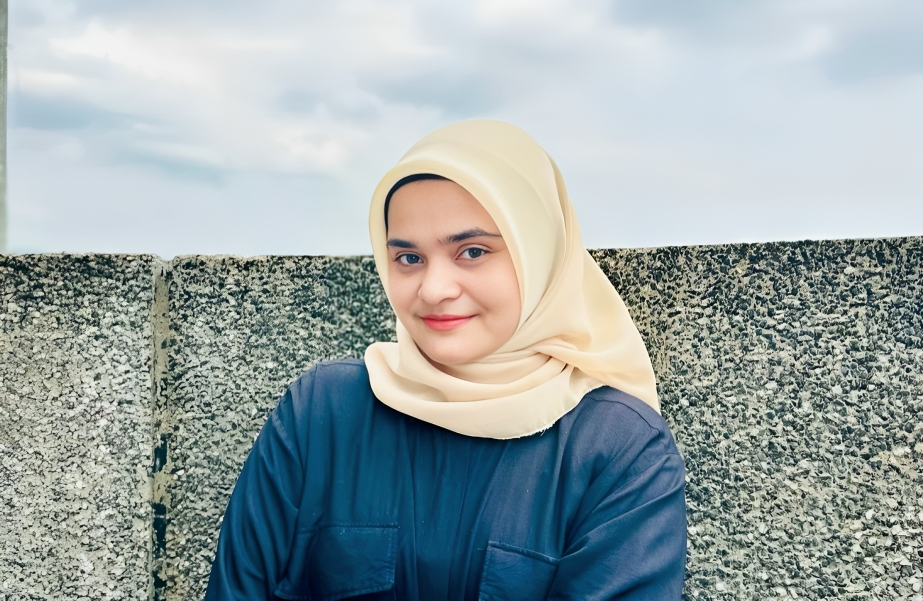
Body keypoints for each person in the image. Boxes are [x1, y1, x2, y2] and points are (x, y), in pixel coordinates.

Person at [204, 120, 686, 600]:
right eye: (409, 258)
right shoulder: (323, 413)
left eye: (472, 251)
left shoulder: (619, 448)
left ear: (539, 254)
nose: (433, 290)